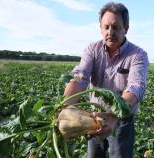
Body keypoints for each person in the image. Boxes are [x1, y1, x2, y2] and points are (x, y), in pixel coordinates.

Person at [63, 2, 149, 158]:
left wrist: (115, 116)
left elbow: (136, 86)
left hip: (122, 120)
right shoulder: (92, 50)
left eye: (116, 27)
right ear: (101, 28)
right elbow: (80, 76)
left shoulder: (138, 55)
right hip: (94, 118)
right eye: (106, 27)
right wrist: (65, 106)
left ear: (126, 28)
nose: (110, 32)